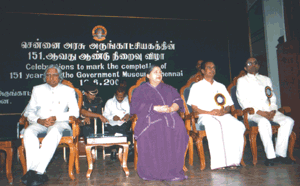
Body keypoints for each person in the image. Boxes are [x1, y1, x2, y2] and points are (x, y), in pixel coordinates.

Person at [21, 64, 79, 186]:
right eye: (48, 75)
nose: (51, 78)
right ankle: (36, 174)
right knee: (28, 132)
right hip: (41, 122)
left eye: (54, 75)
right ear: (44, 77)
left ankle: (35, 171)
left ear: (60, 77)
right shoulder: (37, 89)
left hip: (60, 122)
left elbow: (75, 112)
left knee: (53, 133)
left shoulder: (68, 90)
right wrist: (39, 120)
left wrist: (56, 117)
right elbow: (29, 112)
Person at [130, 65, 189, 181]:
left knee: (179, 126)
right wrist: (154, 108)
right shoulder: (140, 90)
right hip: (150, 116)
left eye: (160, 72)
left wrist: (172, 108)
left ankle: (174, 169)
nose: (159, 74)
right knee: (159, 126)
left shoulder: (169, 88)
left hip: (170, 114)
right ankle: (154, 171)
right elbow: (136, 106)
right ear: (148, 76)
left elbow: (178, 100)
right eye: (155, 72)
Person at [187, 61, 245, 170]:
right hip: (205, 115)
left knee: (238, 126)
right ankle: (219, 164)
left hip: (222, 115)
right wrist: (209, 112)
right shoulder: (196, 86)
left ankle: (234, 161)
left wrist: (224, 111)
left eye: (213, 67)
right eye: (209, 67)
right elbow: (194, 107)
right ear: (203, 71)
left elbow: (228, 106)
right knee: (215, 126)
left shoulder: (221, 86)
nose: (212, 69)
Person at [236, 57, 295, 166]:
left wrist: (272, 110)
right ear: (245, 67)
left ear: (258, 65)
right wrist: (260, 112)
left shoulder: (266, 79)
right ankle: (270, 156)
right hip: (253, 113)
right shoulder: (242, 81)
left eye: (255, 63)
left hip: (270, 111)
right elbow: (243, 101)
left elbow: (272, 97)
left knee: (289, 121)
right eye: (250, 63)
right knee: (264, 122)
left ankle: (280, 154)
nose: (253, 65)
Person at [103, 86, 131, 161]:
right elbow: (105, 115)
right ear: (115, 95)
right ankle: (113, 151)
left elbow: (133, 112)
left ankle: (124, 151)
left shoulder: (128, 101)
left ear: (124, 95)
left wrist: (128, 115)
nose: (120, 99)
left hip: (124, 123)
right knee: (113, 130)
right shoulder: (109, 102)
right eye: (118, 97)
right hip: (112, 123)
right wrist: (112, 117)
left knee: (123, 128)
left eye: (122, 97)